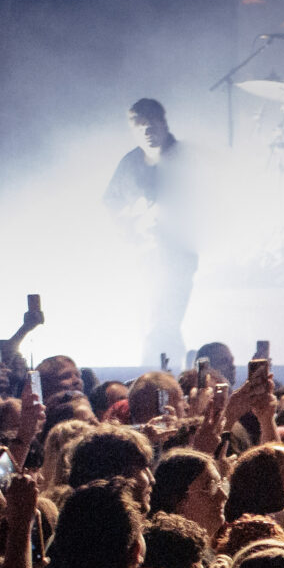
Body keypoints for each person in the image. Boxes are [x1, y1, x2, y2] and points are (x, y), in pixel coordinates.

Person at [101, 98, 199, 367]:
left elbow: (209, 202)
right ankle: (155, 373)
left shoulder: (185, 158)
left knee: (165, 320)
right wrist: (133, 221)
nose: (146, 131)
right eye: (139, 126)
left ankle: (164, 375)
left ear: (163, 123)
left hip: (177, 254)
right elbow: (110, 204)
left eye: (151, 124)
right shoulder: (130, 162)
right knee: (148, 321)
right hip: (143, 255)